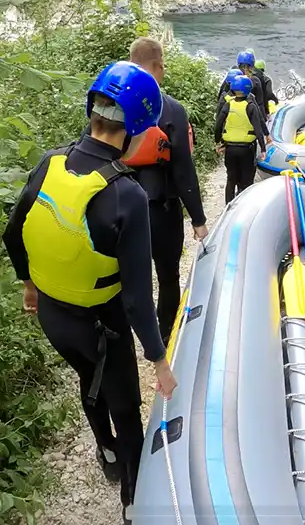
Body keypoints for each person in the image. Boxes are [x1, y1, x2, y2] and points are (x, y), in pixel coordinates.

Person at [2, 61, 178, 525]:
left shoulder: (50, 161)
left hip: (55, 319)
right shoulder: (128, 196)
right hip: (106, 329)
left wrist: (29, 284)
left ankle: (105, 452)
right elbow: (139, 297)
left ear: (93, 111)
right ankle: (132, 501)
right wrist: (160, 362)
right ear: (135, 129)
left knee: (86, 377)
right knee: (125, 408)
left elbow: (13, 231)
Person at [104, 37, 208, 346]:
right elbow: (183, 169)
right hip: (160, 209)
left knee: (122, 276)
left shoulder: (111, 103)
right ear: (158, 66)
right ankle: (166, 336)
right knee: (167, 274)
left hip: (117, 205)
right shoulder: (171, 109)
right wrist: (198, 218)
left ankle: (119, 336)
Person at [214, 74, 268, 203]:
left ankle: (228, 206)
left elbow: (218, 125)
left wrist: (218, 142)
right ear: (248, 89)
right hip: (247, 149)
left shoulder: (228, 104)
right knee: (246, 179)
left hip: (230, 148)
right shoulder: (250, 106)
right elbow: (257, 128)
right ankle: (243, 205)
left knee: (231, 178)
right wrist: (263, 148)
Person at [237, 49, 268, 122]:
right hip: (251, 114)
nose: (245, 69)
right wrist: (265, 117)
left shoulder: (232, 77)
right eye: (243, 67)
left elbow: (222, 97)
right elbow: (261, 101)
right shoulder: (257, 78)